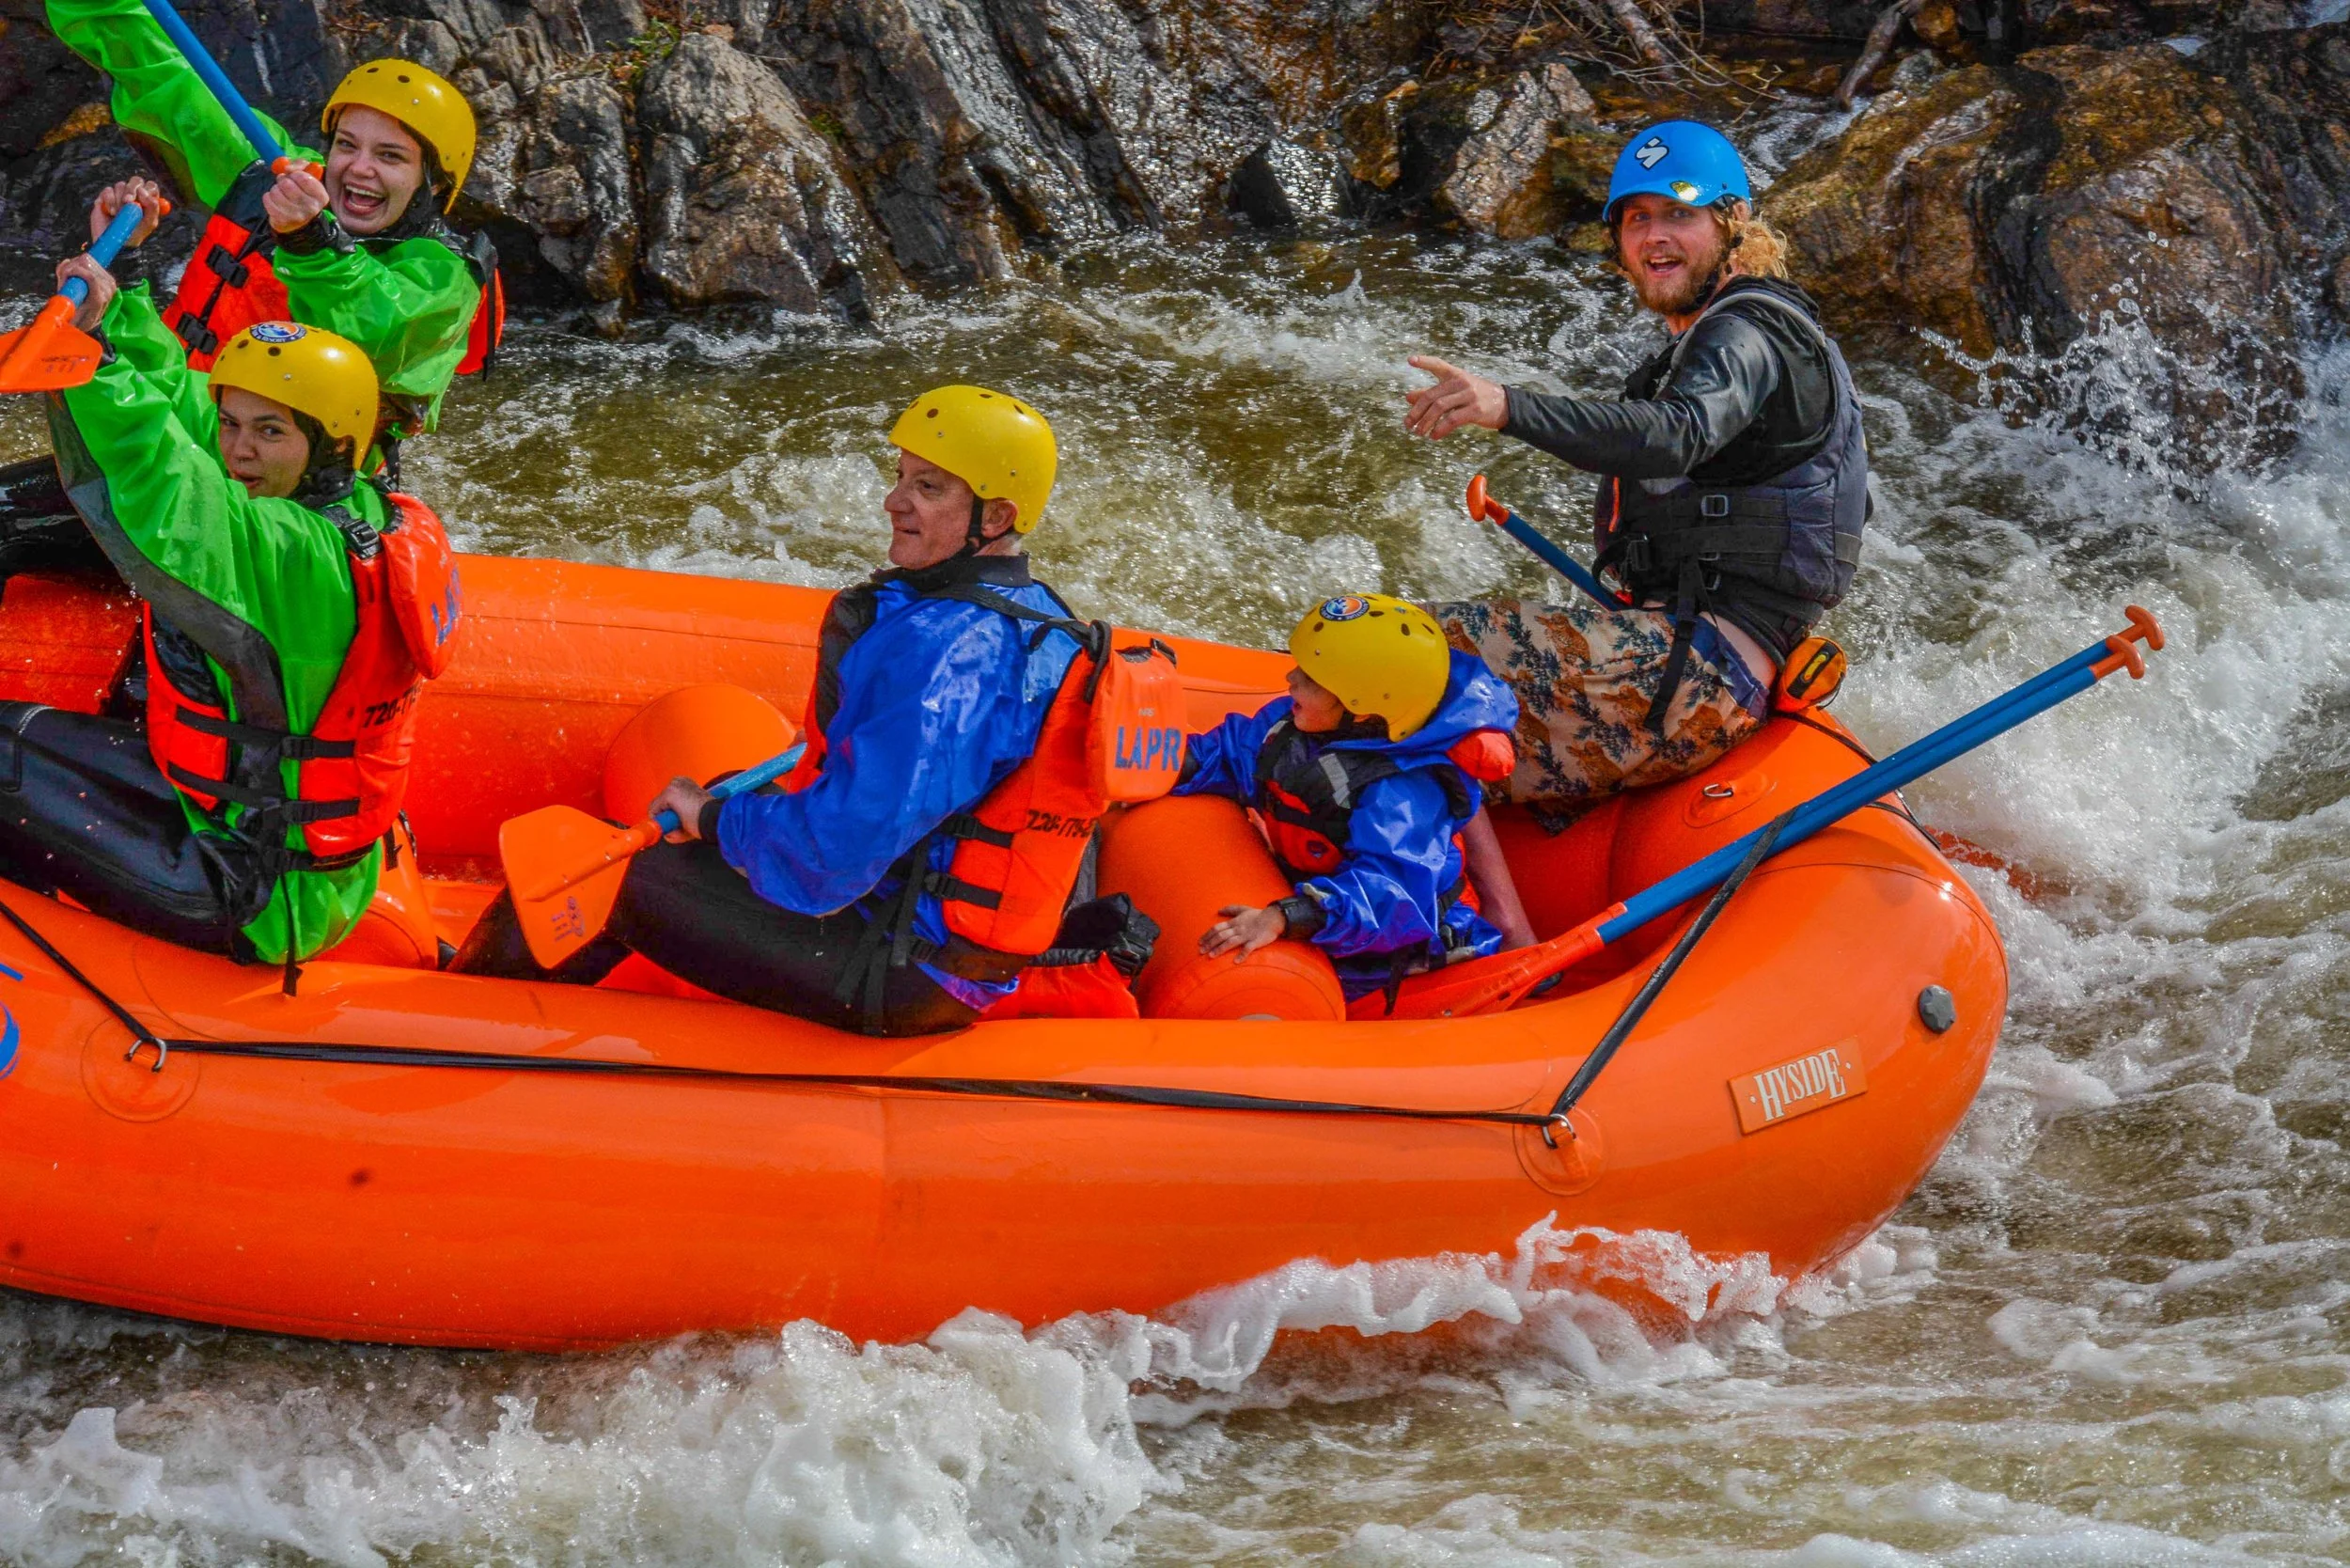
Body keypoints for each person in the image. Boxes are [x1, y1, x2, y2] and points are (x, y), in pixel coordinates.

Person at [455, 387, 1123, 1038]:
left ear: (998, 516)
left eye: (929, 488)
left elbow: (835, 849)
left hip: (892, 970)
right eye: (901, 478)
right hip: (934, 951)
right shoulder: (1046, 620)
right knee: (711, 826)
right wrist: (736, 822)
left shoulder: (947, 650)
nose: (894, 503)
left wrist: (718, 820)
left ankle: (451, 1023)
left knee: (605, 866)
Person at [1, 181, 461, 980]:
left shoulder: (296, 555)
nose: (239, 449)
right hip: (234, 818)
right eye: (236, 424)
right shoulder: (348, 496)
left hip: (245, 884)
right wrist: (127, 296)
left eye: (269, 431)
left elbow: (166, 479)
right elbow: (186, 409)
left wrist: (93, 363)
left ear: (325, 445)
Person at [1402, 120, 1869, 829]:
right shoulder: (1729, 339)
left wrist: (1506, 407)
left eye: (1679, 214)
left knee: (1398, 647)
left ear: (1734, 222)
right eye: (1638, 219)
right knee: (1434, 725)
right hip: (1690, 661)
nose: (1655, 237)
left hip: (1697, 676)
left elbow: (1678, 435)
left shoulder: (1746, 331)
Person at [3, 6, 498, 559]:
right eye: (347, 145)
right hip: (193, 431)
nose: (359, 169)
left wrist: (312, 240)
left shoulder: (444, 276)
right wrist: (126, 277)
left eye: (391, 157)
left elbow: (373, 327)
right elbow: (167, 78)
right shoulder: (281, 177)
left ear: (432, 182)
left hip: (298, 501)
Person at [1172, 593, 1531, 1007]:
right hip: (1325, 897)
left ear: (1362, 711)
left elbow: (1391, 897)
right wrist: (1167, 763)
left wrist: (1289, 916)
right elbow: (1233, 752)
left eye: (1310, 678)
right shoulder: (1291, 723)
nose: (1291, 679)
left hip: (1391, 952)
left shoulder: (1401, 793)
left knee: (1257, 1000)